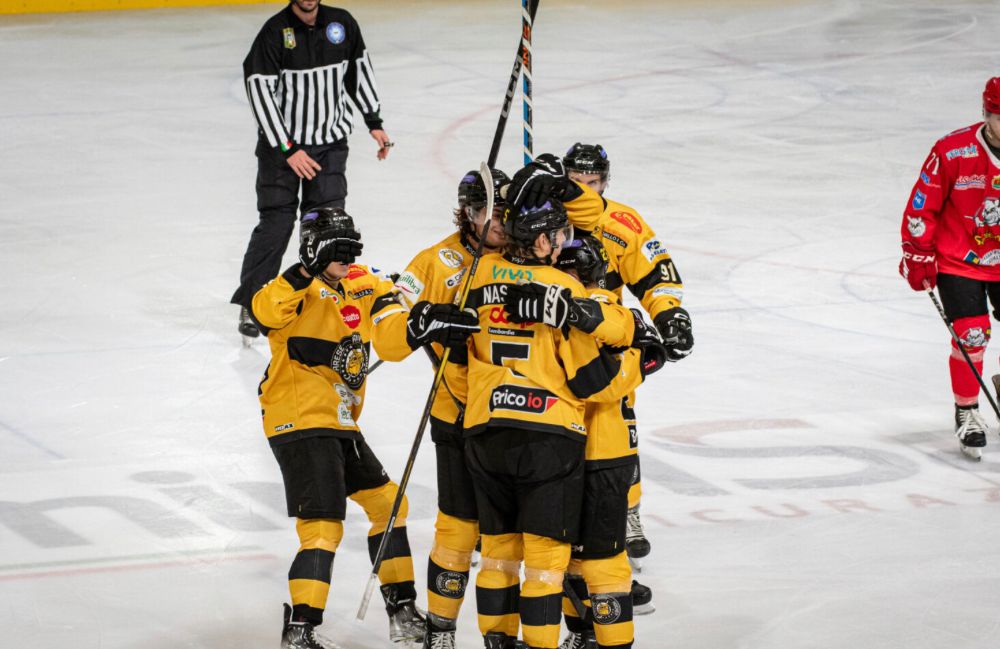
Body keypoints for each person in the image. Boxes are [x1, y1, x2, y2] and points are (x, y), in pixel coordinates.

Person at [249, 208, 478, 649]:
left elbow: (393, 332)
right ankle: (300, 631)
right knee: (322, 526)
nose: (347, 257)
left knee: (388, 504)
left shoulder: (364, 282)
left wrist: (426, 322)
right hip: (298, 417)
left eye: (350, 248)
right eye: (336, 249)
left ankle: (402, 611)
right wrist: (304, 270)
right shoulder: (293, 290)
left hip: (338, 420)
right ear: (312, 248)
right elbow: (265, 311)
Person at [457, 168, 639, 649]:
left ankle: (497, 642)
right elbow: (591, 378)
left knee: (497, 555)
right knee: (543, 563)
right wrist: (638, 357)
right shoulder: (563, 286)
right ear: (541, 241)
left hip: (484, 430)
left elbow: (453, 350)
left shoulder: (478, 272)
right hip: (547, 437)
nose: (564, 241)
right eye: (559, 234)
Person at [504, 234, 668, 649]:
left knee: (600, 561)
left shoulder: (593, 312)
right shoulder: (615, 313)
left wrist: (637, 361)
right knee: (576, 559)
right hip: (584, 451)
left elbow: (605, 381)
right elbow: (648, 357)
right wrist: (642, 359)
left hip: (594, 451)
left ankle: (598, 637)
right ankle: (585, 636)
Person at [391, 167, 510, 649]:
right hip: (456, 413)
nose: (499, 222)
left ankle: (502, 635)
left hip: (513, 416)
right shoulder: (435, 262)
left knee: (506, 536)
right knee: (458, 528)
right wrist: (422, 320)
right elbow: (391, 314)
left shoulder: (527, 255)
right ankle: (440, 631)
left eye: (504, 212)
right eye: (488, 212)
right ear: (468, 213)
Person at [561, 143, 692, 571]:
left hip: (604, 340)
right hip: (550, 342)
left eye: (592, 182)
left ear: (605, 182)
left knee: (617, 430)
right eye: (576, 182)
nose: (585, 190)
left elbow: (656, 274)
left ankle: (627, 511)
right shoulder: (543, 217)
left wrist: (669, 313)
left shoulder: (622, 223)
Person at [233, 0, 393, 342]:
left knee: (328, 226)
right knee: (276, 223)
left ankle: (323, 301)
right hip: (282, 150)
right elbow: (258, 88)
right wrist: (288, 148)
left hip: (329, 146)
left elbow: (358, 71)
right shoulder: (275, 32)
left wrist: (374, 121)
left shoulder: (342, 24)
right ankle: (253, 302)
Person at [899, 77, 1000, 460]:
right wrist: (918, 253)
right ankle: (968, 410)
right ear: (986, 113)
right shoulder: (953, 151)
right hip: (961, 259)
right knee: (972, 334)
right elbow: (922, 205)